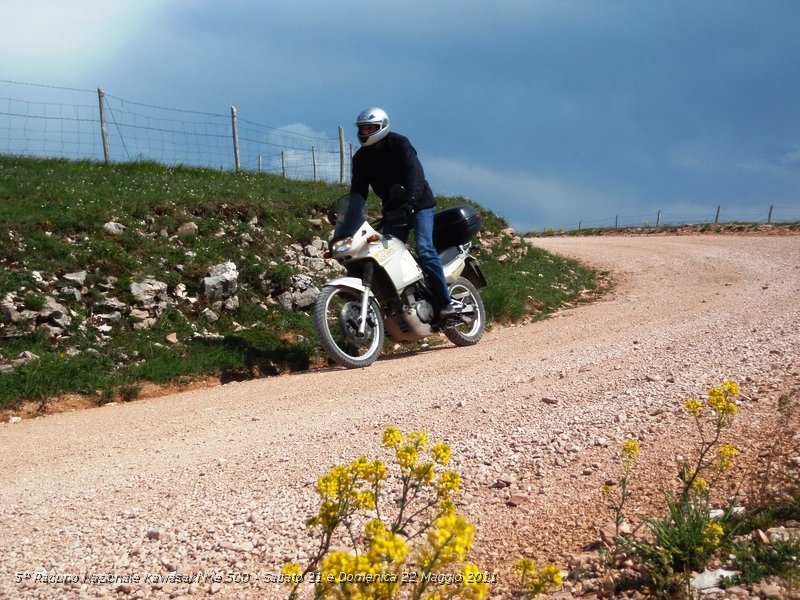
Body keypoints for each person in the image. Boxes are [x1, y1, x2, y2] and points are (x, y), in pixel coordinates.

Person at [350, 107, 462, 320]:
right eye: (362, 128)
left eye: (370, 128)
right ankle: (407, 301)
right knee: (389, 255)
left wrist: (411, 201)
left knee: (424, 249)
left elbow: (415, 174)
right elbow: (358, 191)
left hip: (419, 204)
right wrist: (351, 215)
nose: (365, 132)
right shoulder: (361, 158)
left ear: (382, 127)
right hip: (393, 210)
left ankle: (445, 303)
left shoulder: (399, 144)